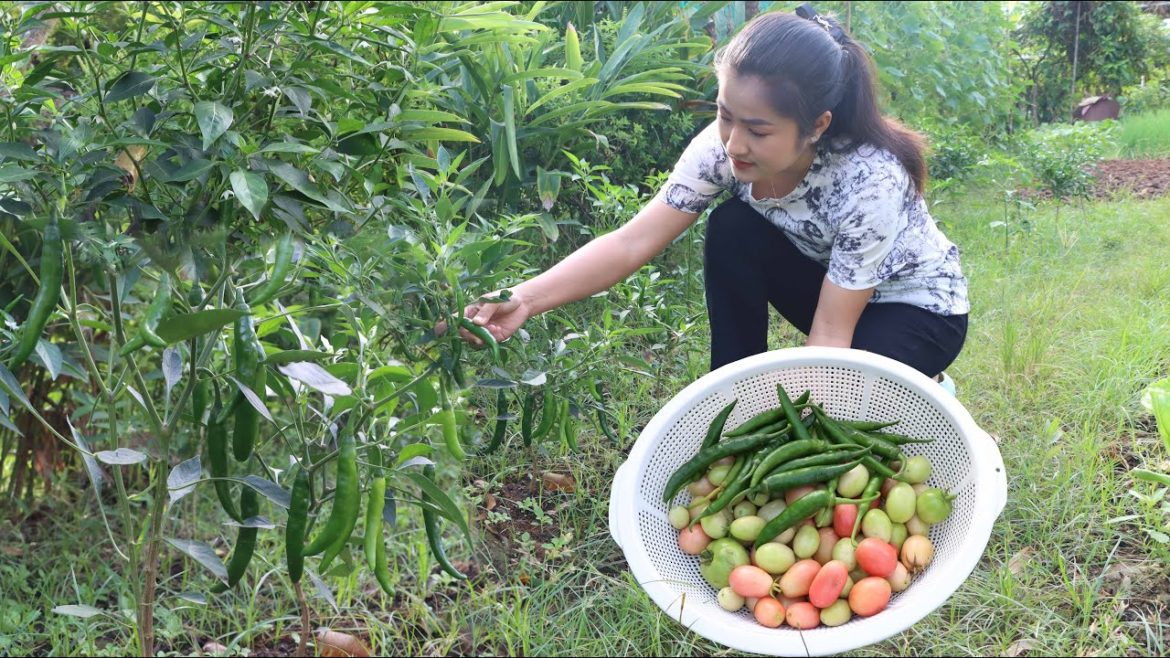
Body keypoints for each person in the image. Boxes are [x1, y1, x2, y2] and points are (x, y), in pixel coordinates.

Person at [454, 5, 969, 390]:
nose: (734, 143)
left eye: (759, 130)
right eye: (725, 114)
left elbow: (830, 335)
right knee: (732, 230)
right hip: (831, 285)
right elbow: (631, 243)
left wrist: (798, 435)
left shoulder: (870, 181)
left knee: (853, 401)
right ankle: (733, 390)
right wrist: (524, 298)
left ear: (817, 126)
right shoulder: (721, 147)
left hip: (915, 309)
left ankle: (921, 384)